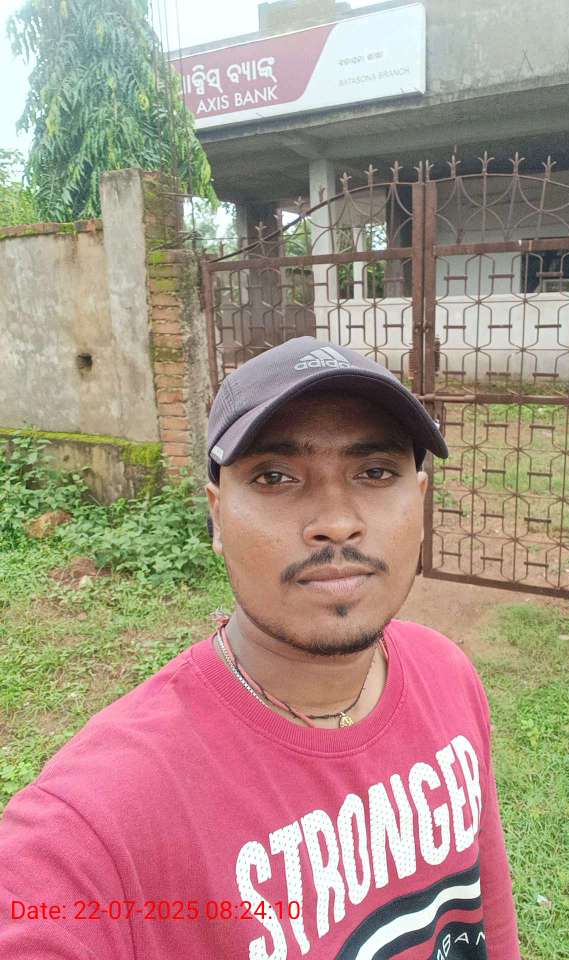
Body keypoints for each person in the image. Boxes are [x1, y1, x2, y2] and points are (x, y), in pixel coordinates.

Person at [0, 337, 521, 959]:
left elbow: (487, 916)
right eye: (275, 477)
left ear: (421, 499)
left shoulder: (448, 674)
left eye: (375, 472)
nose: (336, 521)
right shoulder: (98, 821)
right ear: (218, 517)